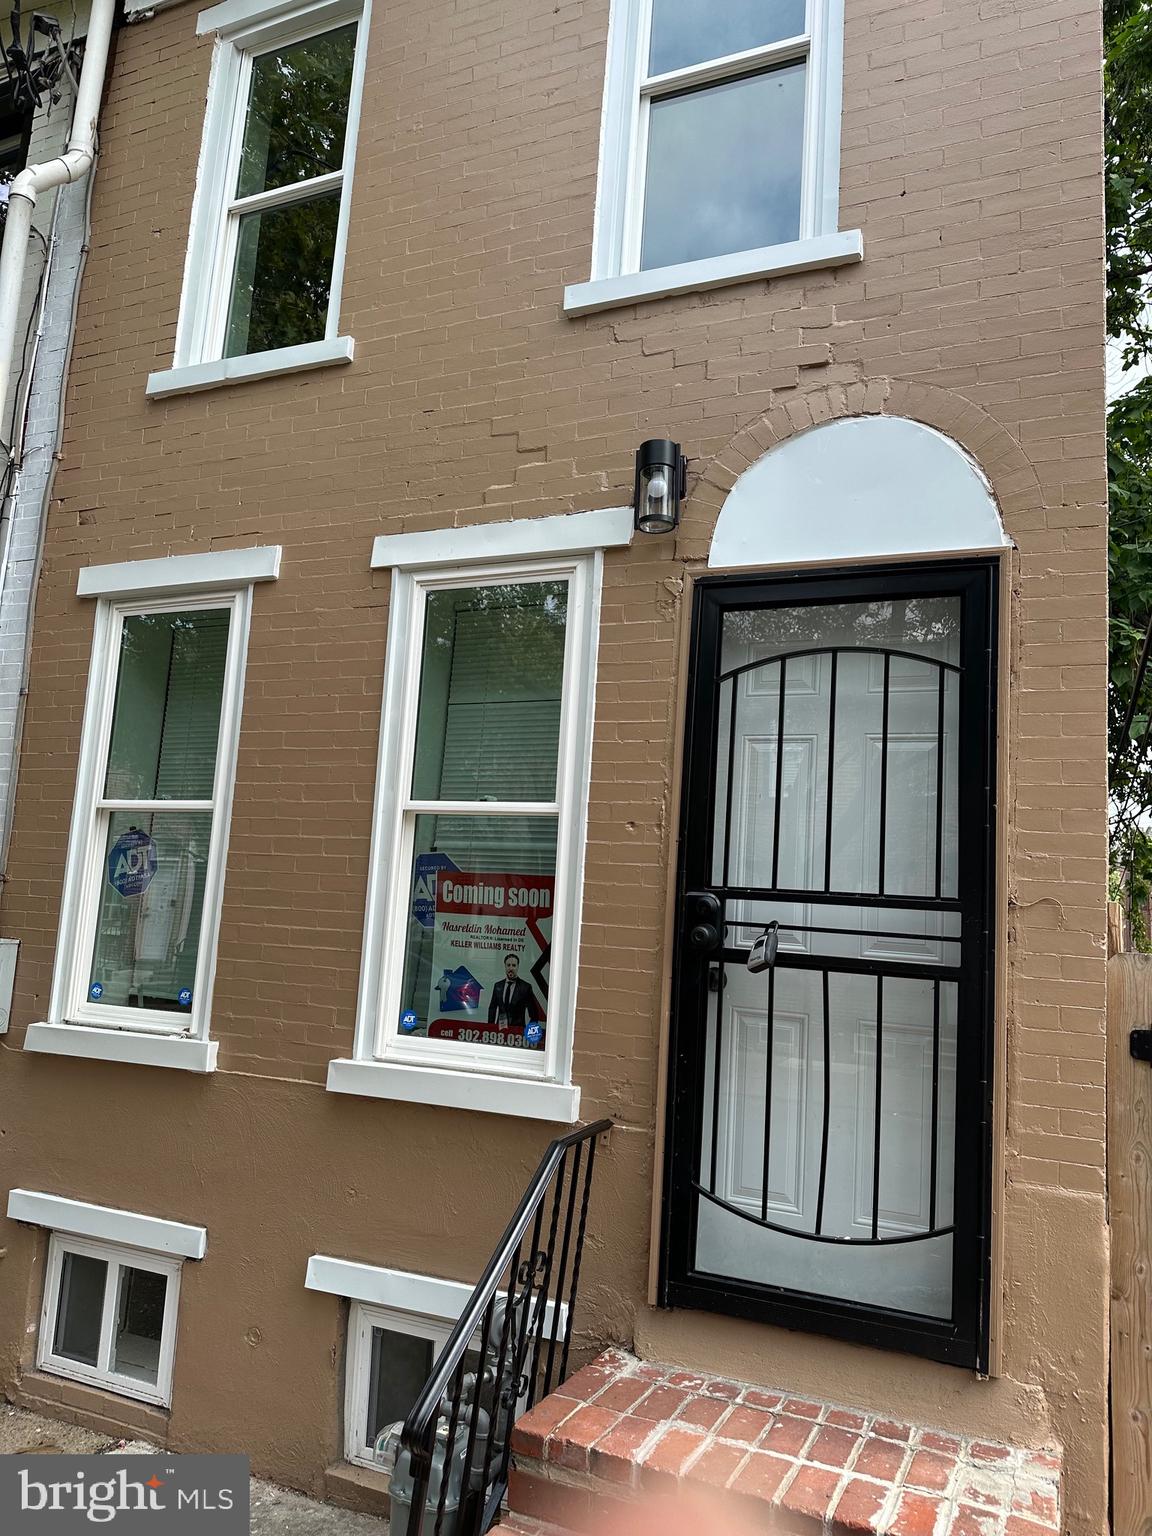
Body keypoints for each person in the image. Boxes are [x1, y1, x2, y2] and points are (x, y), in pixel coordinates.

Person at [488, 953, 543, 1030]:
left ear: (518, 967)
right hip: (500, 1030)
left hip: (518, 1031)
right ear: (505, 966)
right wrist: (490, 1028)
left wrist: (528, 1033)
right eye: (508, 965)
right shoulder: (498, 985)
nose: (511, 968)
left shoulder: (525, 987)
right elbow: (492, 1008)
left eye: (514, 965)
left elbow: (534, 1014)